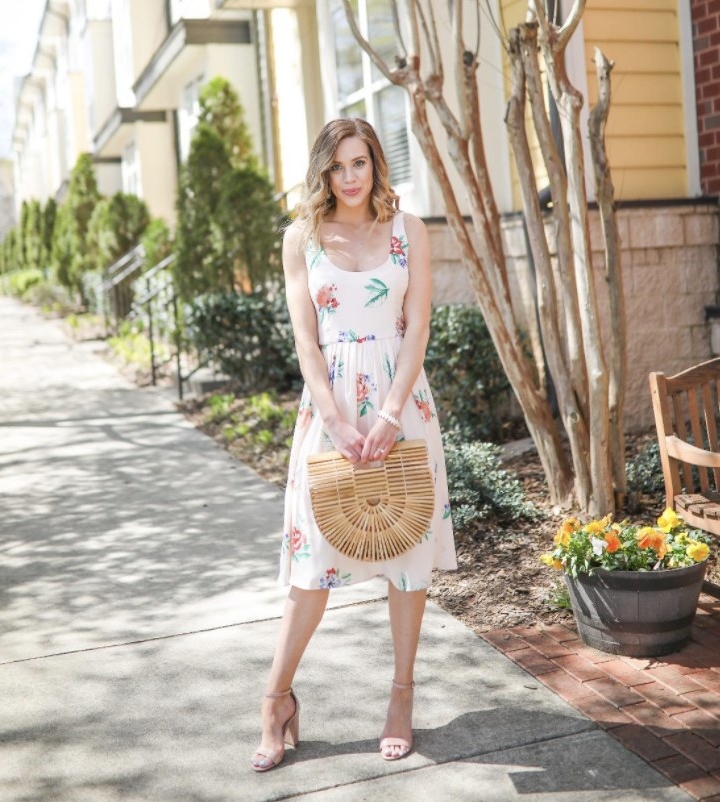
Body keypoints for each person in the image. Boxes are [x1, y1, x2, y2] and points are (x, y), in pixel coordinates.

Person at [251, 118, 457, 772]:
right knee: (312, 563)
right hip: (331, 410)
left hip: (402, 407)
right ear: (324, 172)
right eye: (337, 165)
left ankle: (401, 698)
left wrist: (391, 412)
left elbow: (418, 323)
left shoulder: (409, 232)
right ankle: (275, 700)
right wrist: (338, 422)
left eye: (359, 162)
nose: (349, 175)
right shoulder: (300, 240)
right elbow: (307, 341)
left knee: (406, 556)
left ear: (375, 165)